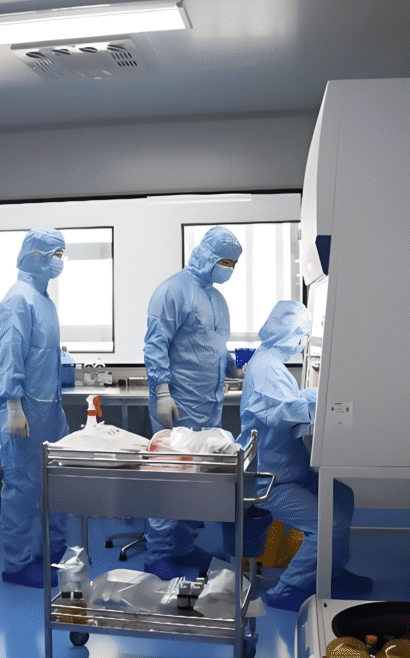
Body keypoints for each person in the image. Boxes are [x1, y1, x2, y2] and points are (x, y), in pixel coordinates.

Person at [239, 300, 371, 612]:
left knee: (342, 495)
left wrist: (318, 397)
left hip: (287, 470)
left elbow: (289, 400)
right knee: (329, 524)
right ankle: (288, 590)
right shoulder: (266, 368)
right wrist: (328, 404)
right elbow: (283, 413)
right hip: (271, 480)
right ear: (289, 332)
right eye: (302, 334)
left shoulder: (270, 363)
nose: (303, 341)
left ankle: (331, 573)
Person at [142, 226, 245, 580]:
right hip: (179, 403)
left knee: (196, 480)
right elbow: (155, 344)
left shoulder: (217, 300)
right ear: (207, 255)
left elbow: (213, 346)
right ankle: (158, 555)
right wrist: (162, 392)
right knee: (170, 479)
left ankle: (183, 547)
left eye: (233, 263)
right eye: (225, 261)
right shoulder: (173, 290)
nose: (229, 268)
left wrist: (233, 367)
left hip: (209, 404)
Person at [0, 227, 70, 588]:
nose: (61, 261)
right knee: (22, 488)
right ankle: (18, 564)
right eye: (56, 254)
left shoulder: (44, 300)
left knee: (56, 481)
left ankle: (52, 549)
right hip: (23, 411)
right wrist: (13, 406)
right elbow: (10, 355)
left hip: (48, 410)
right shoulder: (17, 300)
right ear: (36, 255)